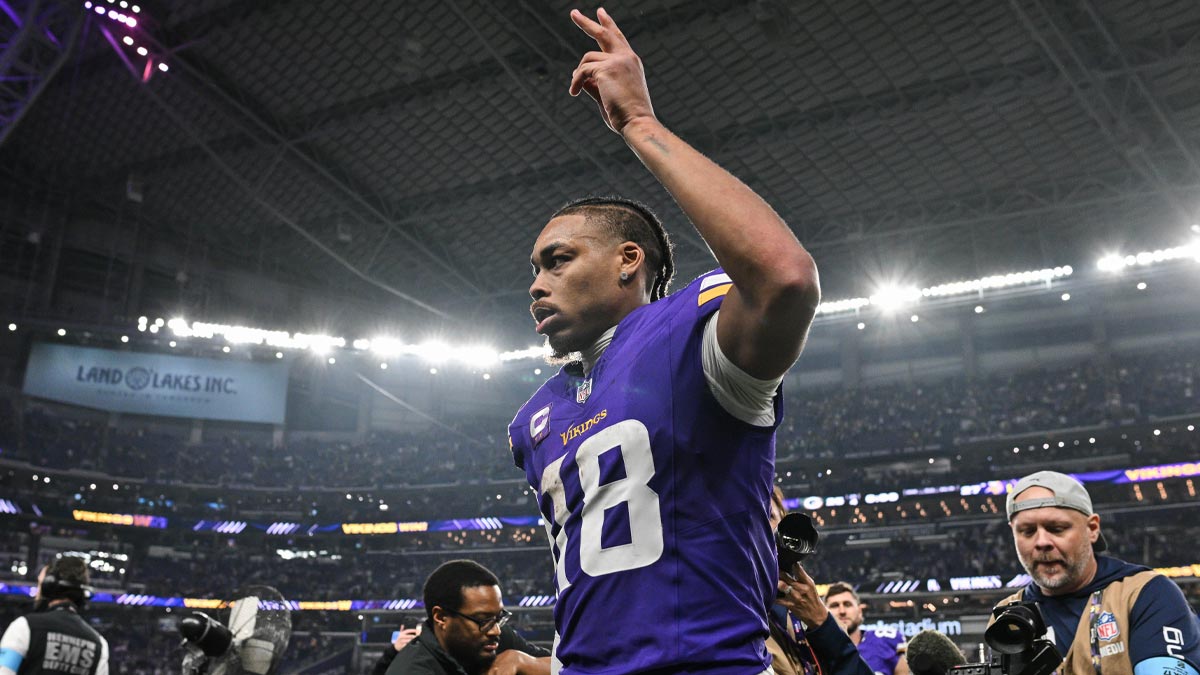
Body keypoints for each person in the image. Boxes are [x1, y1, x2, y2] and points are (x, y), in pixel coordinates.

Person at [508, 7, 819, 675]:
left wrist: (640, 125)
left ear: (629, 259)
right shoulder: (530, 418)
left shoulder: (690, 334)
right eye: (534, 269)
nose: (537, 283)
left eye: (558, 259)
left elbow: (785, 278)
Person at [996, 471, 1200, 675]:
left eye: (1057, 528)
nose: (1042, 542)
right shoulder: (1007, 613)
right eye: (1027, 531)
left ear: (1092, 529)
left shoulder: (1147, 593)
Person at [770, 487, 874, 675]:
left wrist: (822, 623)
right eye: (753, 518)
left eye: (769, 516)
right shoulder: (729, 607)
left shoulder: (814, 618)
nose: (762, 529)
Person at [385, 559, 550, 675]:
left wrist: (523, 661)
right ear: (441, 617)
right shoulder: (412, 670)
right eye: (483, 619)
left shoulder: (496, 638)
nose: (496, 630)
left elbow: (568, 666)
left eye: (498, 617)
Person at [0, 556, 109, 675]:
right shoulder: (99, 645)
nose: (37, 593)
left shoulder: (24, 627)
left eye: (40, 585)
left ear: (48, 587)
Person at [823, 583, 909, 675]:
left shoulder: (886, 641)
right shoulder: (816, 650)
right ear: (825, 613)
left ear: (860, 611)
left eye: (847, 604)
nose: (842, 611)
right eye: (835, 605)